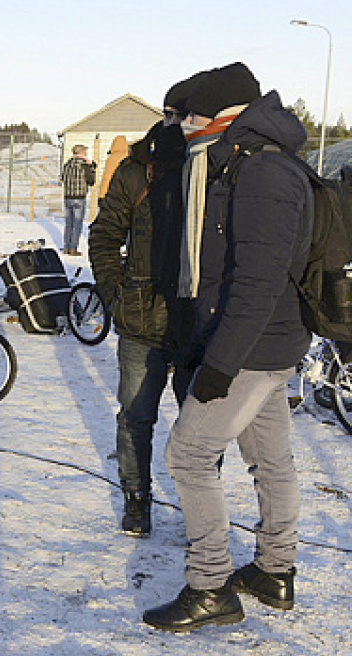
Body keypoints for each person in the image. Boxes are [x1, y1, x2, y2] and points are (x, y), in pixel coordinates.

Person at [143, 62, 312, 632]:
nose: (183, 127)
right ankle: (274, 572)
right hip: (264, 345)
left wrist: (219, 364)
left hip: (249, 349)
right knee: (271, 461)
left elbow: (257, 284)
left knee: (187, 455)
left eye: (190, 116)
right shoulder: (250, 160)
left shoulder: (263, 172)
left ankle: (210, 585)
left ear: (220, 116)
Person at [88, 77, 199, 537]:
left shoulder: (210, 169)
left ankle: (200, 510)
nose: (176, 124)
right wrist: (115, 294)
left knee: (199, 429)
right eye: (169, 114)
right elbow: (104, 236)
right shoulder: (136, 169)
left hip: (195, 323)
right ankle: (137, 499)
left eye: (184, 117)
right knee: (136, 418)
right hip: (140, 320)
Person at [60, 144, 97, 255]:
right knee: (77, 224)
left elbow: (63, 178)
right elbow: (91, 181)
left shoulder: (67, 165)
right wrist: (92, 169)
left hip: (67, 196)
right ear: (82, 153)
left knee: (69, 223)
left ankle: (66, 247)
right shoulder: (84, 166)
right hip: (79, 197)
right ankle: (73, 248)